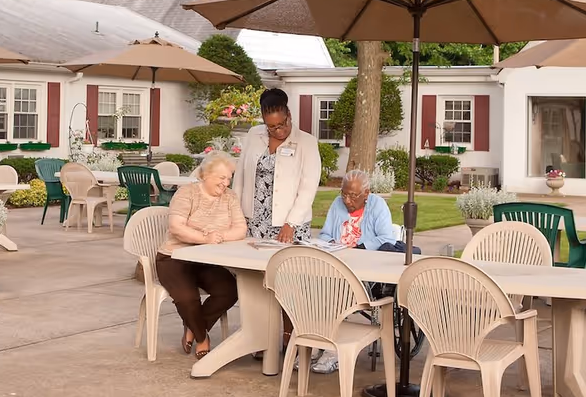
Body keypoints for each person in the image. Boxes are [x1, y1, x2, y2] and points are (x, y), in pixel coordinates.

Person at [233, 88, 322, 352]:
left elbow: (308, 187)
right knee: (256, 283)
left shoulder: (306, 142)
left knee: (288, 284)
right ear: (263, 120)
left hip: (288, 225)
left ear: (289, 115)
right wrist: (237, 213)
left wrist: (291, 223)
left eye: (282, 124)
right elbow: (241, 176)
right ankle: (260, 338)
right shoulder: (253, 135)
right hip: (255, 221)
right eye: (271, 127)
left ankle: (291, 337)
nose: (278, 130)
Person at [309, 169, 403, 374]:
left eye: (353, 195)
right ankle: (316, 342)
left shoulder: (378, 205)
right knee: (311, 286)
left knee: (333, 289)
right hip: (337, 262)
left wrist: (360, 248)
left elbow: (387, 238)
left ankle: (332, 351)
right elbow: (324, 233)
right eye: (344, 193)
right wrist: (331, 243)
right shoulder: (337, 204)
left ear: (366, 194)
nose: (346, 199)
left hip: (365, 270)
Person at [155, 151, 247, 360]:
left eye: (229, 179)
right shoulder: (187, 193)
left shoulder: (229, 197)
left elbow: (240, 229)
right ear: (205, 174)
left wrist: (219, 236)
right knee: (188, 297)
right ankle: (202, 337)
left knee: (230, 290)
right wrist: (206, 238)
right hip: (174, 257)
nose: (226, 183)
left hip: (207, 260)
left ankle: (193, 326)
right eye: (221, 178)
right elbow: (176, 228)